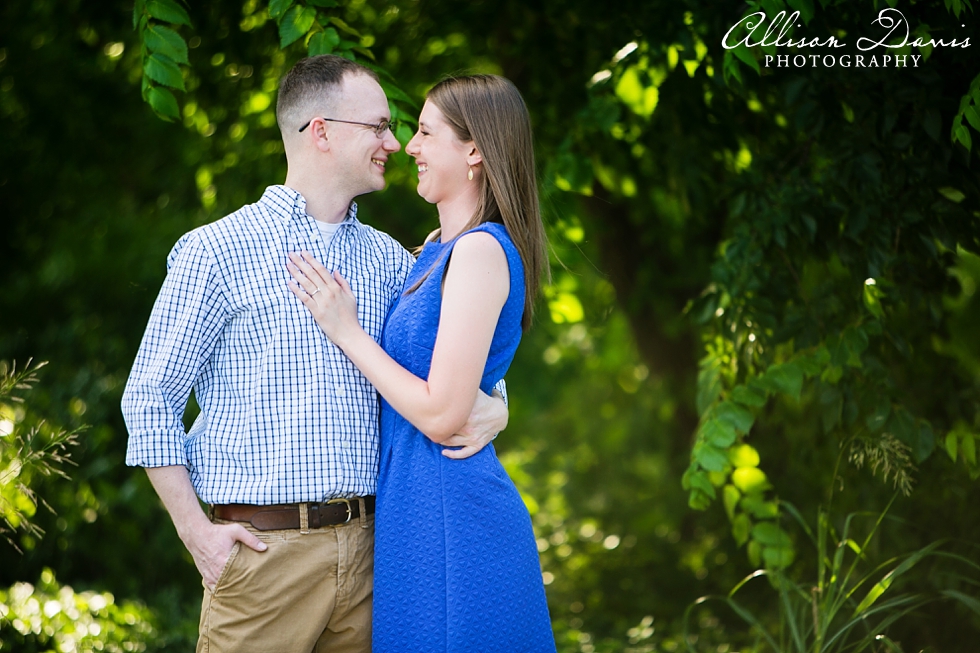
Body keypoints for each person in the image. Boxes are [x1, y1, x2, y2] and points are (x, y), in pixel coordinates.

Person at [121, 55, 508, 653]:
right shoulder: (216, 251)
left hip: (378, 555)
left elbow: (461, 361)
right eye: (378, 127)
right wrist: (196, 532)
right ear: (321, 131)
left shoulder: (391, 261)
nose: (394, 143)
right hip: (265, 558)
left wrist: (499, 407)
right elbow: (149, 399)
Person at [287, 74, 557, 652]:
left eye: (426, 133)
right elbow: (463, 367)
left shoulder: (480, 250)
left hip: (452, 513)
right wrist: (497, 401)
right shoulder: (434, 250)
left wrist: (347, 332)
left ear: (474, 151)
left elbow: (440, 413)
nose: (408, 146)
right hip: (414, 506)